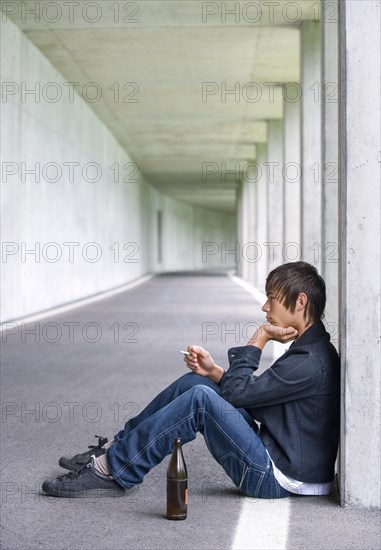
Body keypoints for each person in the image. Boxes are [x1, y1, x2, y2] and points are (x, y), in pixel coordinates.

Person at [42, 261, 340, 499]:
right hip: (276, 459)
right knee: (194, 383)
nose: (264, 307)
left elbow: (239, 396)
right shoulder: (308, 352)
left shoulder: (310, 362)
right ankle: (114, 448)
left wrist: (259, 337)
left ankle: (114, 470)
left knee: (200, 400)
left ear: (300, 302)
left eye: (272, 299)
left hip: (278, 478)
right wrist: (214, 372)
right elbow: (256, 398)